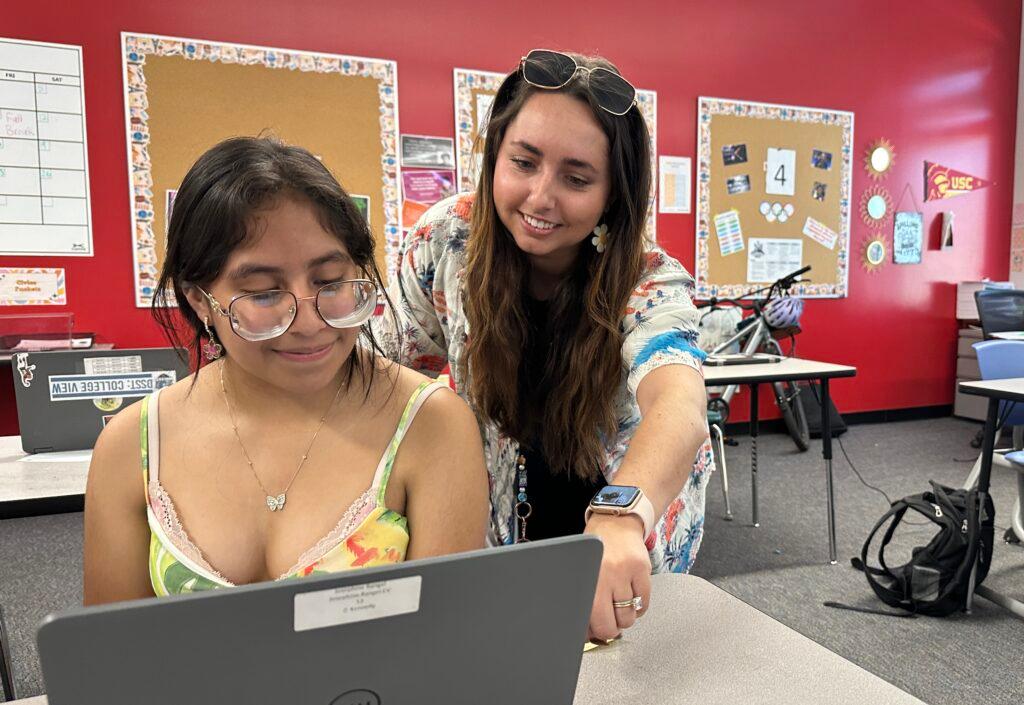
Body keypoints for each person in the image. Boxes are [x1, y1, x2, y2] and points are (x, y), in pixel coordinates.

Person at [383, 50, 714, 642]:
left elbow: (678, 408)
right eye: (523, 162)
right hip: (495, 524)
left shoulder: (648, 280)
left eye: (577, 178)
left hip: (617, 537)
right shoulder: (445, 243)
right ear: (494, 157)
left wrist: (620, 517)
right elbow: (384, 376)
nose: (540, 196)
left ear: (613, 193)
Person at [83, 137, 488, 604]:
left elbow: (443, 645)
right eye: (261, 293)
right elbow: (113, 658)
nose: (310, 322)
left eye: (331, 282)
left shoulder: (431, 424)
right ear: (200, 301)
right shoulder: (133, 445)